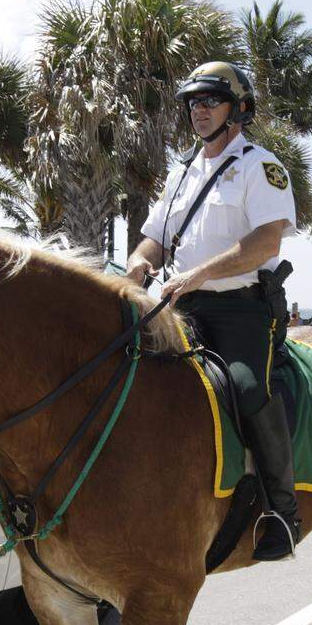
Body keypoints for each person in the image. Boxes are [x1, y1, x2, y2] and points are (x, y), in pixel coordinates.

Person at [124, 62, 301, 561]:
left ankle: (281, 512)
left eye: (209, 101)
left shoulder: (260, 166)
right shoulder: (181, 171)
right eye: (193, 102)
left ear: (237, 108)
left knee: (247, 387)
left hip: (240, 311)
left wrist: (198, 275)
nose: (198, 110)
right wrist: (138, 264)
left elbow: (265, 243)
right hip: (178, 305)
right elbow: (154, 239)